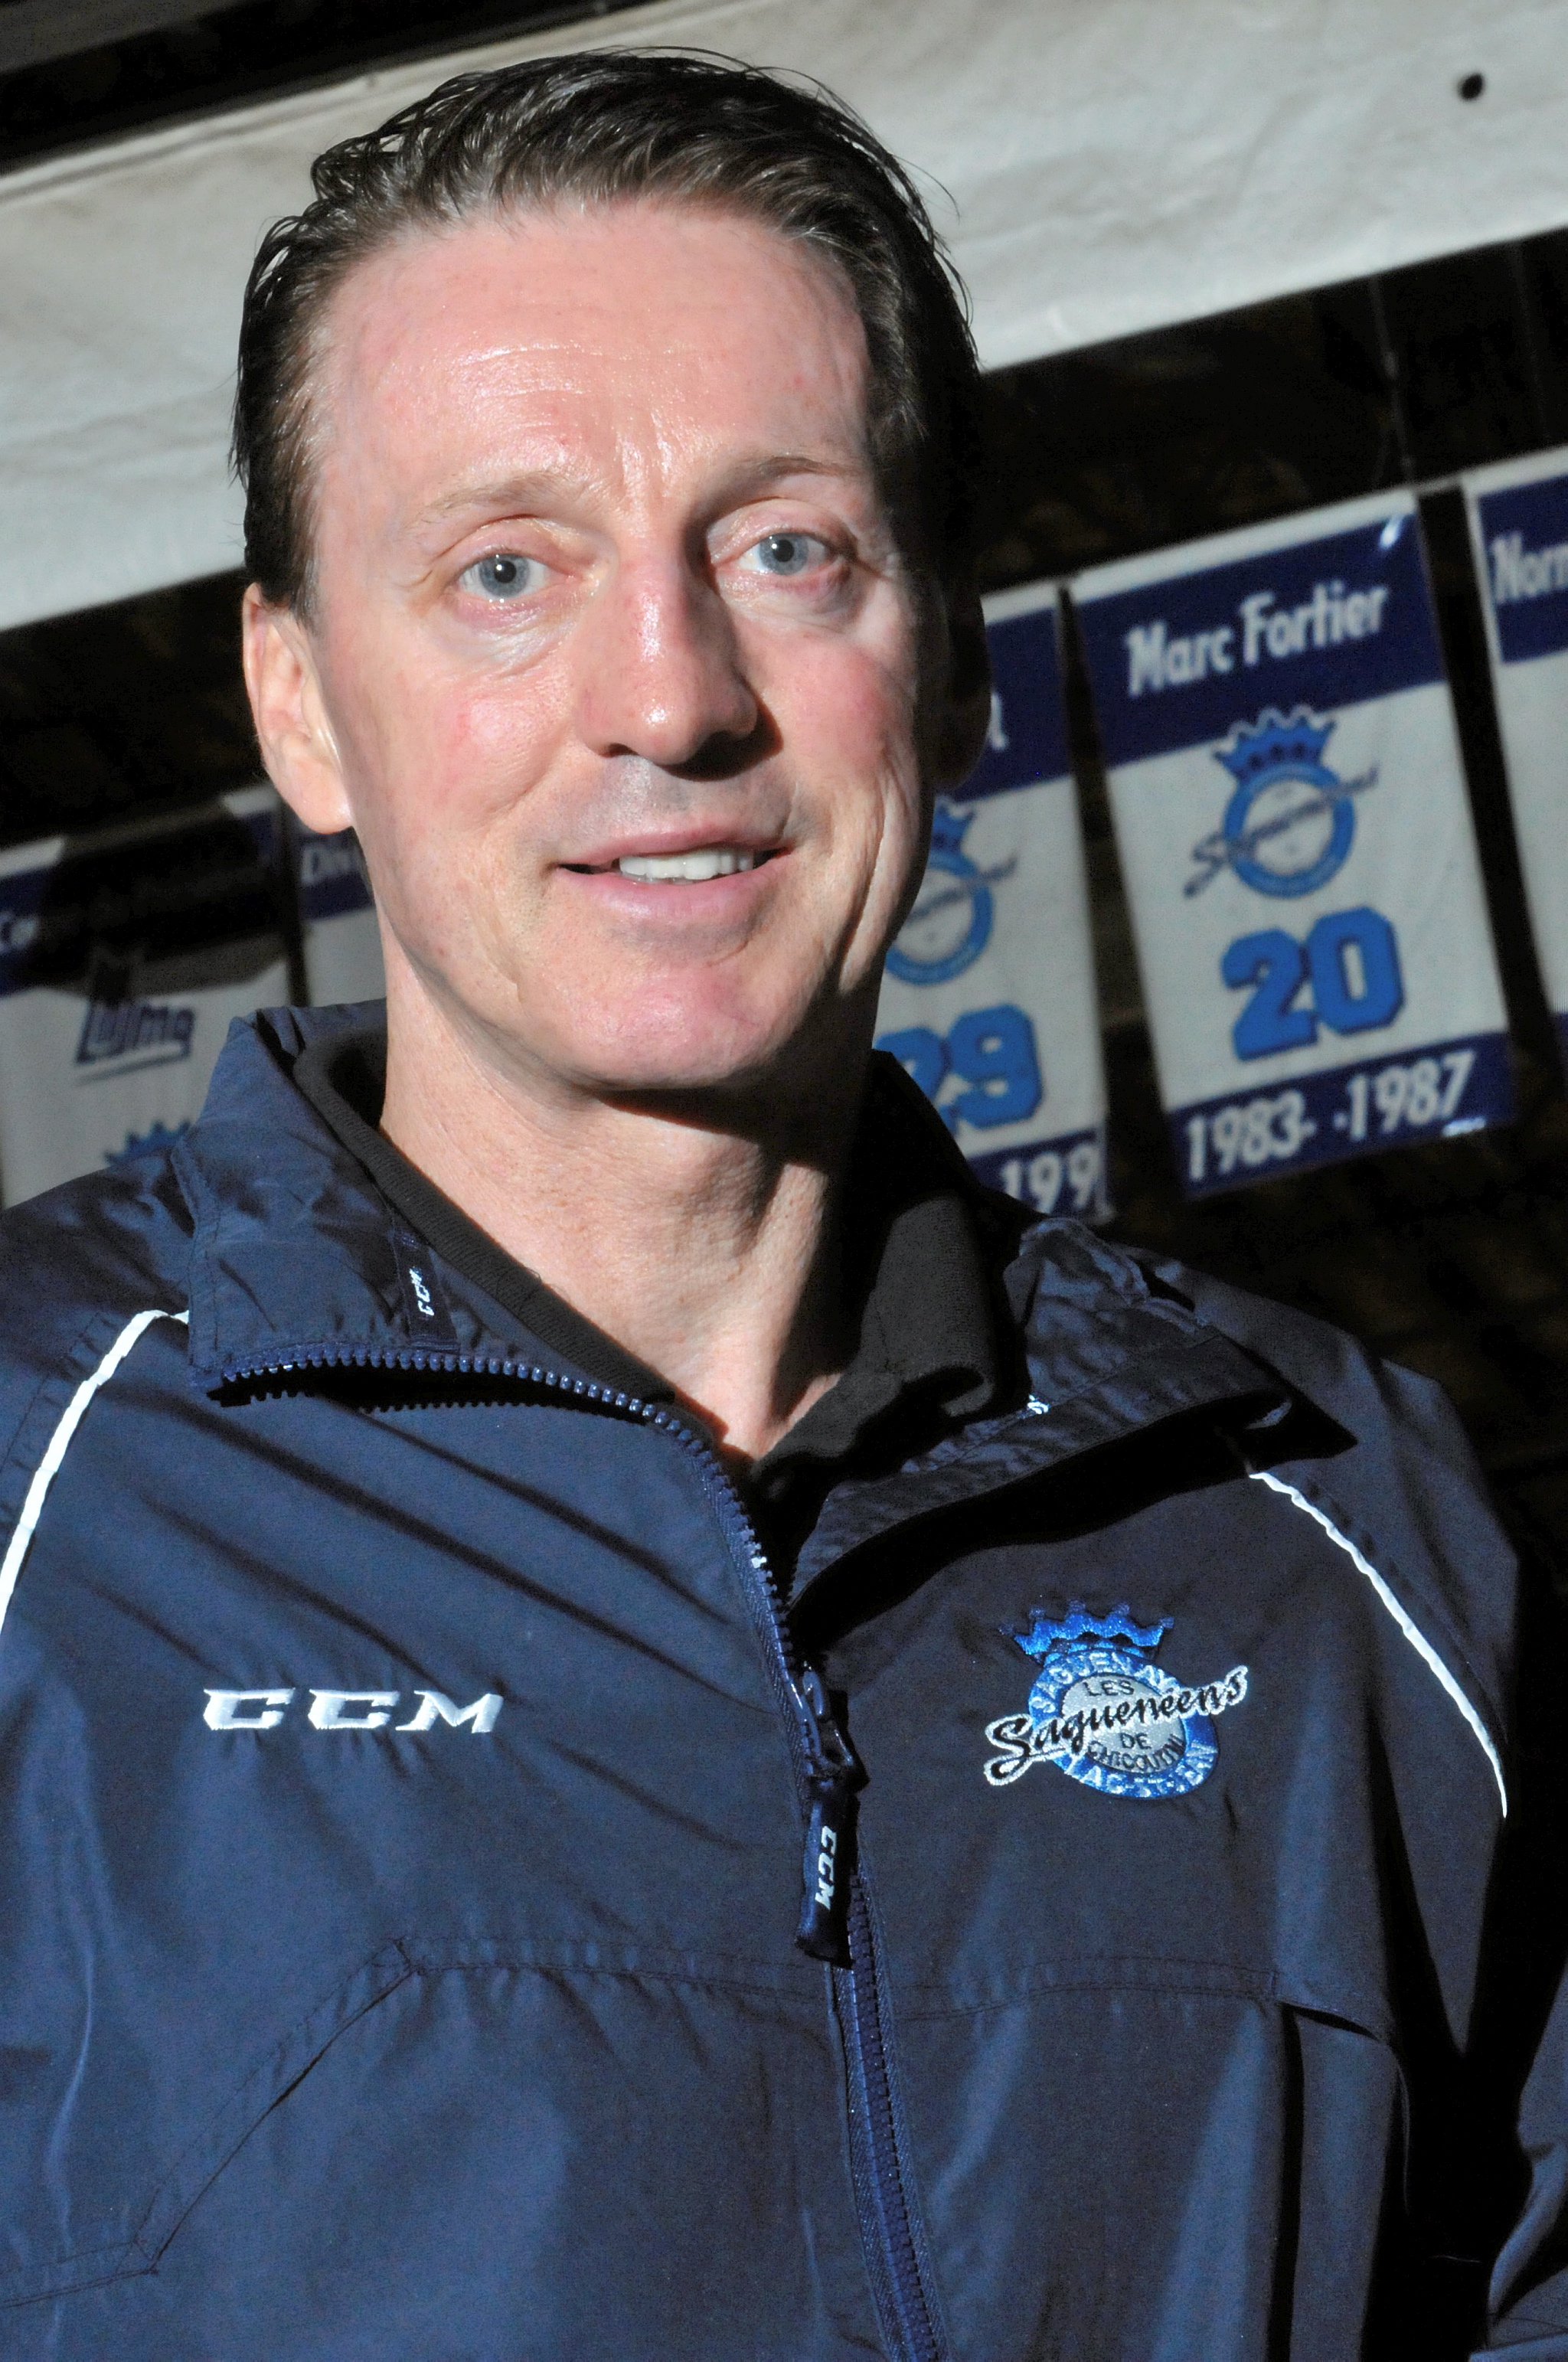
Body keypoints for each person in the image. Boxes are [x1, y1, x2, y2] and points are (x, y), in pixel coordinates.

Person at [0, 49, 1559, 2361]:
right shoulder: (43, 1502)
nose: (670, 696)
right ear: (300, 705)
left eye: (785, 550)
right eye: (506, 570)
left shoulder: (1343, 1544)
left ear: (950, 665)